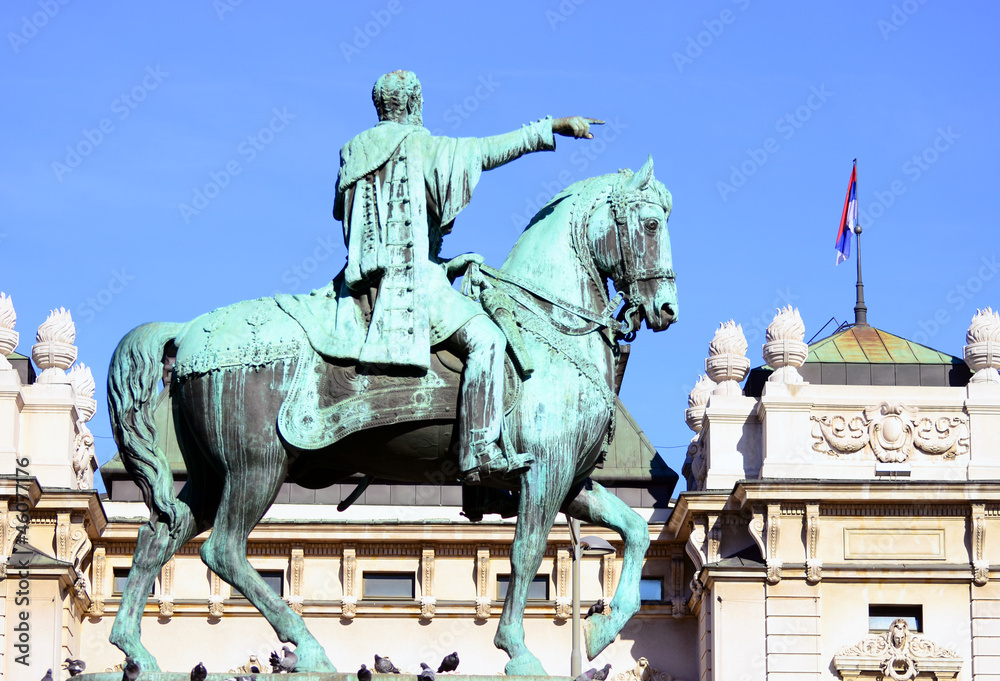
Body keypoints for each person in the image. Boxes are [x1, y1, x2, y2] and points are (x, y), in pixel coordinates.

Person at [333, 69, 600, 484]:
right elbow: (489, 150)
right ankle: (479, 449)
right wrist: (549, 127)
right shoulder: (419, 144)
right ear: (414, 104)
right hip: (411, 287)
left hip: (360, 283)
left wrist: (447, 264)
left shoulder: (353, 152)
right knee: (488, 339)